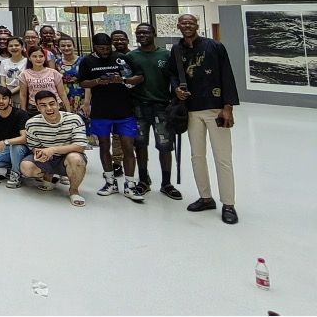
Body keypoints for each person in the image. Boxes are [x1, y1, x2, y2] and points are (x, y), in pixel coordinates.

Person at [169, 14, 239, 224]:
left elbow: (227, 75)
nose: (187, 25)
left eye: (191, 22)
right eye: (183, 23)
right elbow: (172, 75)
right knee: (197, 156)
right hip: (191, 110)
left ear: (197, 25)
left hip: (216, 109)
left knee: (223, 158)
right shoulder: (176, 50)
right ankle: (205, 197)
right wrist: (176, 89)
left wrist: (228, 107)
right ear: (178, 26)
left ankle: (228, 204)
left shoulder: (215, 46)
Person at [78, 33, 145, 202]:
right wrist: (97, 82)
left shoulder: (121, 58)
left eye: (108, 48)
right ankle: (110, 182)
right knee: (104, 146)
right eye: (101, 48)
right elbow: (82, 82)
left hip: (124, 111)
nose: (105, 51)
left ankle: (130, 184)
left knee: (128, 147)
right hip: (101, 112)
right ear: (94, 47)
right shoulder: (87, 61)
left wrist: (122, 79)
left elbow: (139, 77)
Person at [128, 23, 182, 200]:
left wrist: (175, 101)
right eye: (138, 33)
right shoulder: (131, 56)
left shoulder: (166, 55)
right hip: (138, 107)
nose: (142, 35)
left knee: (165, 146)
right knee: (140, 144)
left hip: (162, 107)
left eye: (146, 32)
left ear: (154, 33)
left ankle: (166, 184)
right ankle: (144, 180)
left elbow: (174, 79)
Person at [20, 91, 89, 207]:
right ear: (38, 108)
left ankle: (74, 190)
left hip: (67, 157)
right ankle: (49, 178)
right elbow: (33, 146)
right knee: (26, 167)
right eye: (43, 105)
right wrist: (39, 153)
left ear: (58, 104)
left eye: (52, 104)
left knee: (76, 159)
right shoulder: (31, 123)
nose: (49, 108)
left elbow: (80, 146)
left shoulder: (74, 119)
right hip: (48, 158)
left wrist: (52, 150)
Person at [0, 86, 31, 188]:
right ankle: (14, 166)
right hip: (8, 147)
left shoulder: (20, 114)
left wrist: (5, 142)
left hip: (23, 147)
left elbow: (24, 138)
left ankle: (16, 175)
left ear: (10, 100)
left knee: (15, 147)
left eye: (4, 98)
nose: (1, 101)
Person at [18, 46, 70, 115]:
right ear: (29, 58)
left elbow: (62, 93)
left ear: (44, 58)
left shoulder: (53, 72)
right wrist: (23, 112)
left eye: (41, 56)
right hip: (34, 108)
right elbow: (23, 95)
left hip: (55, 105)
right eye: (34, 56)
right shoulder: (24, 74)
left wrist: (69, 111)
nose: (38, 59)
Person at [56, 37, 85, 117]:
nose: (66, 48)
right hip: (63, 95)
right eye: (63, 46)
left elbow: (88, 80)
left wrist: (86, 101)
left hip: (81, 94)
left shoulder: (83, 61)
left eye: (69, 45)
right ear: (59, 48)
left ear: (74, 46)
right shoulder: (57, 62)